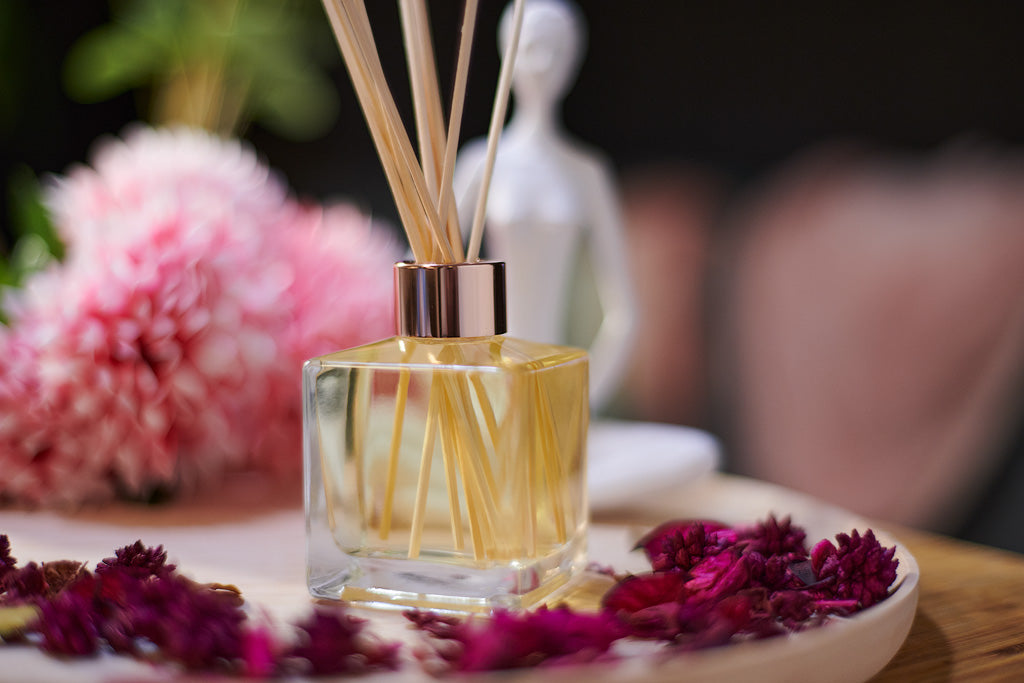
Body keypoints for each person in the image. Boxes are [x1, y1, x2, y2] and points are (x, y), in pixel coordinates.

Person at [454, 0, 636, 413]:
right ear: (509, 52)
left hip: (555, 386)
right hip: (487, 384)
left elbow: (624, 312)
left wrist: (585, 397)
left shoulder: (587, 173)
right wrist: (457, 376)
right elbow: (425, 267)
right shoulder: (480, 163)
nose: (544, 64)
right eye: (533, 46)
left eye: (558, 51)